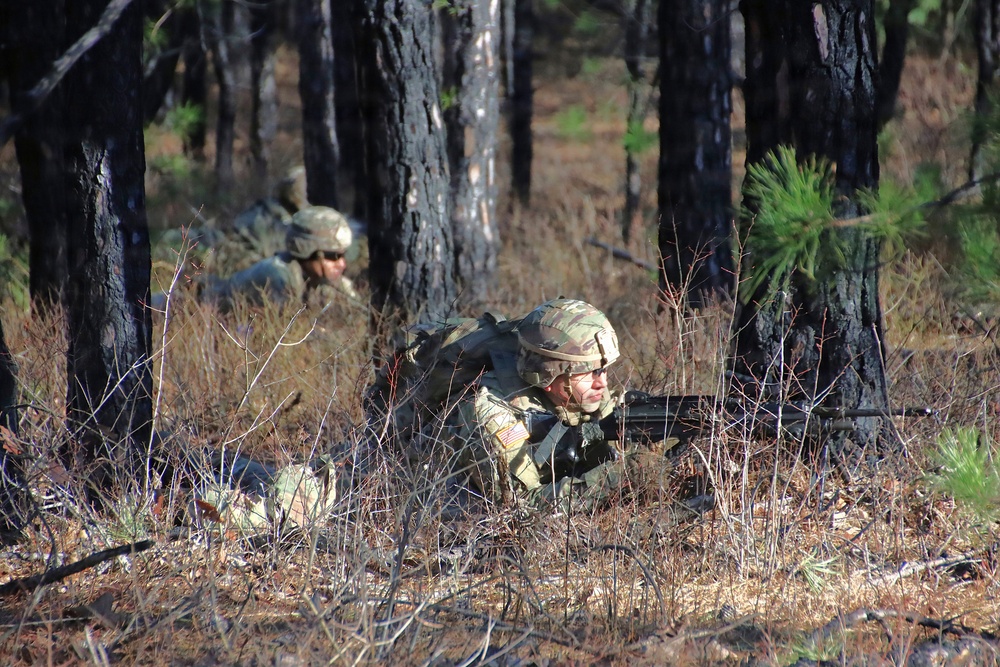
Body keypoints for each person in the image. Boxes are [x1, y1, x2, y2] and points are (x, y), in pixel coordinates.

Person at [445, 298, 630, 510]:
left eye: (604, 369)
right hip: (461, 525)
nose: (602, 383)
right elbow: (522, 507)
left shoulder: (589, 392)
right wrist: (613, 480)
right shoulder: (493, 414)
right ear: (549, 375)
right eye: (592, 372)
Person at [199, 205, 361, 309]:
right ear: (307, 251)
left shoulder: (324, 279)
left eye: (343, 255)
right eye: (332, 256)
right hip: (203, 306)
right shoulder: (278, 276)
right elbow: (282, 337)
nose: (341, 263)